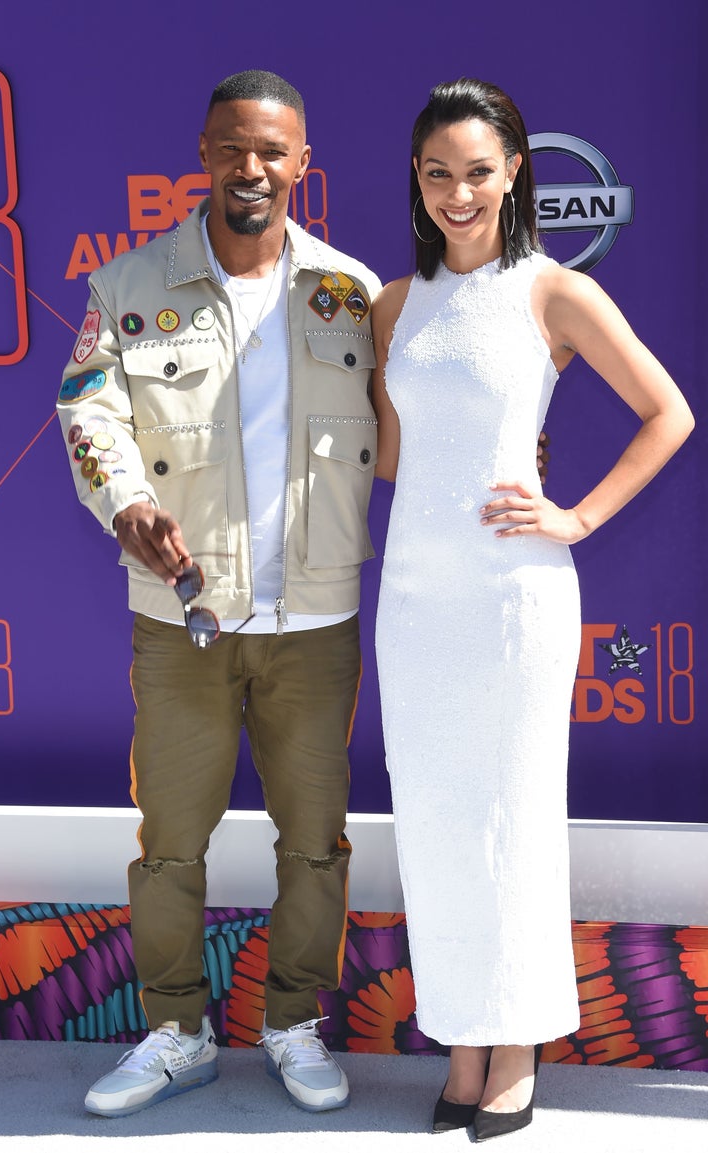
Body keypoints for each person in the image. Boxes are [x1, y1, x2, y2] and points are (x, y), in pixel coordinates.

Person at [370, 77, 694, 1141]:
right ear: (415, 181)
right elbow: (396, 456)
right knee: (436, 823)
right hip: (415, 598)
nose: (457, 193)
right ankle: (462, 1039)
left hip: (513, 601)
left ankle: (518, 1047)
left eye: (476, 171)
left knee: (512, 820)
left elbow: (669, 412)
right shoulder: (392, 303)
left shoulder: (555, 292)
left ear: (515, 172)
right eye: (436, 173)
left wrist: (578, 514)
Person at [56, 69, 381, 1118]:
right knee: (170, 846)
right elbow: (88, 415)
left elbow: (410, 426)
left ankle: (294, 1020)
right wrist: (125, 506)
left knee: (314, 843)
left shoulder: (351, 292)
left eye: (272, 152)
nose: (252, 170)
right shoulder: (127, 286)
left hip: (316, 623)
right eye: (233, 148)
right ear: (202, 153)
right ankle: (175, 1031)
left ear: (302, 164)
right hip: (181, 619)